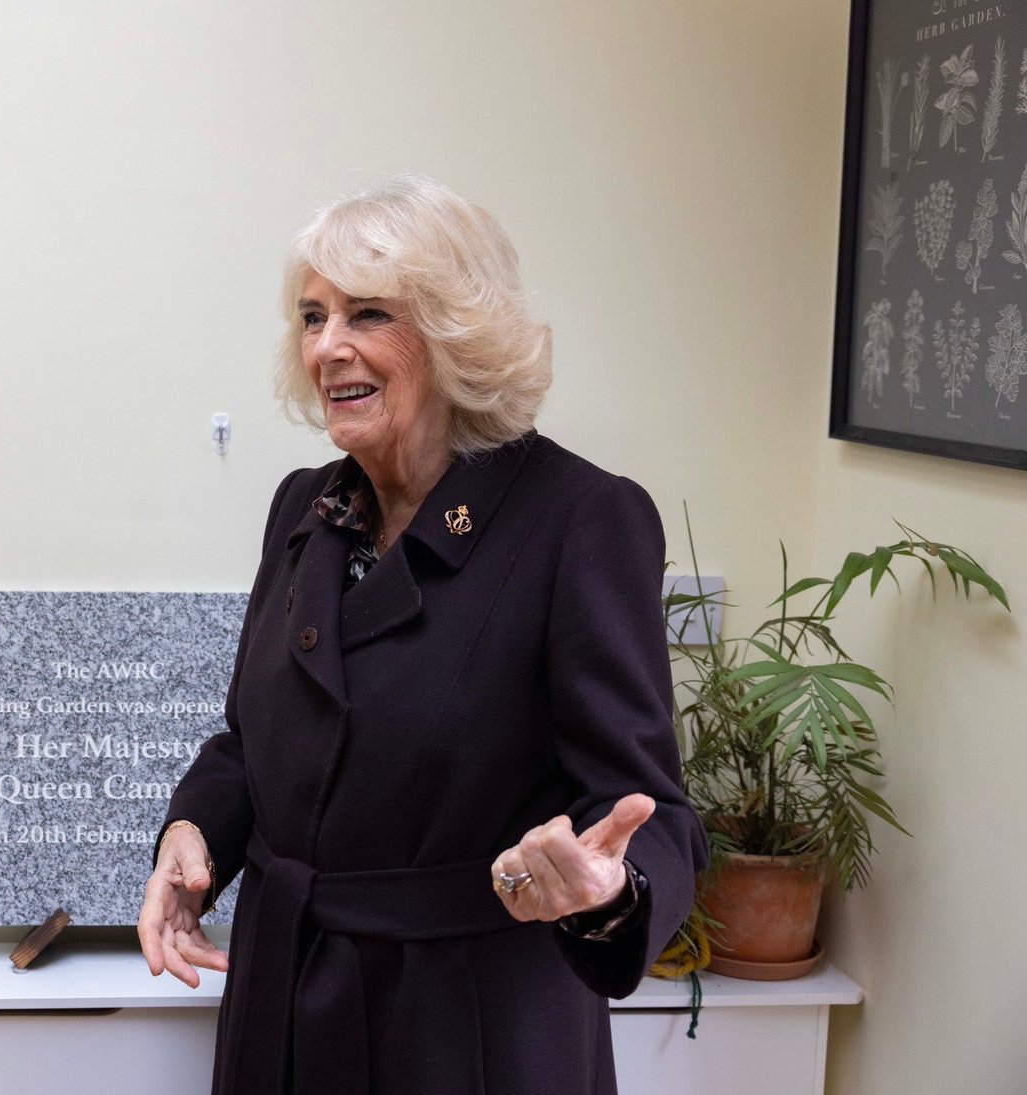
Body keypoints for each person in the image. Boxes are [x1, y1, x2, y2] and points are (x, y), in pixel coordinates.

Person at [137, 175, 707, 1095]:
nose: (328, 346)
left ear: (452, 331)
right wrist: (192, 834)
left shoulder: (581, 520)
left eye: (367, 314)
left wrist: (609, 890)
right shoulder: (304, 506)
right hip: (283, 1016)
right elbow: (249, 742)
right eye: (312, 316)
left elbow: (650, 815)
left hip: (469, 1033)